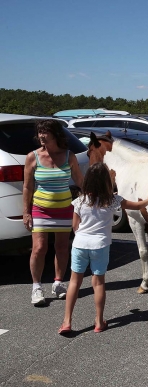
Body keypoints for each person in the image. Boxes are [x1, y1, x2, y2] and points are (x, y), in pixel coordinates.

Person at [58, 163, 148, 334]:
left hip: (80, 244)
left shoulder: (79, 201)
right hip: (100, 246)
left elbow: (75, 226)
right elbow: (137, 205)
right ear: (106, 181)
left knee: (75, 281)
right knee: (98, 283)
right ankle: (98, 321)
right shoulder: (113, 200)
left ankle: (67, 321)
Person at [23, 119, 84, 306]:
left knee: (62, 247)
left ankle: (58, 283)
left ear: (55, 134)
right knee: (39, 248)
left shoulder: (69, 156)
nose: (41, 136)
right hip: (40, 209)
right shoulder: (32, 157)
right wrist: (26, 212)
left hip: (64, 209)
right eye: (39, 132)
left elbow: (81, 183)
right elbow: (27, 186)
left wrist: (97, 199)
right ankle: (36, 287)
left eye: (45, 132)